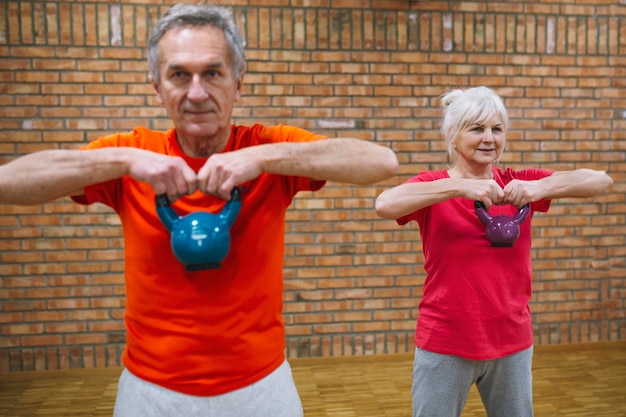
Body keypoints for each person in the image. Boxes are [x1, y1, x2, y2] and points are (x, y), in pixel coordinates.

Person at [0, 4, 398, 417]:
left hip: (262, 387)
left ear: (237, 83)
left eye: (212, 73)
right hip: (149, 390)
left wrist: (263, 158)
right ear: (156, 87)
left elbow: (380, 162)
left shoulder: (268, 147)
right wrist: (121, 163)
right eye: (178, 75)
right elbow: (8, 183)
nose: (196, 93)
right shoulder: (132, 154)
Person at [375, 86, 613, 417]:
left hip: (511, 342)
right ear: (453, 138)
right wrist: (458, 187)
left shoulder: (517, 182)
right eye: (476, 128)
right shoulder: (434, 186)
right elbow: (384, 204)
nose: (489, 138)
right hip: (445, 341)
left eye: (496, 129)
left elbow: (601, 181)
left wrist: (540, 187)